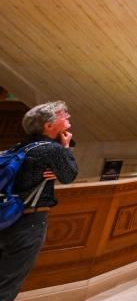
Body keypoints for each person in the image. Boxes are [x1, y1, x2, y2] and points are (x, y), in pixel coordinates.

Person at [0, 102, 78, 301]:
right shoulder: (52, 149)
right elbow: (69, 175)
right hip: (28, 221)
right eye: (62, 114)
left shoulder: (21, 146)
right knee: (8, 283)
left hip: (4, 215)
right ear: (48, 125)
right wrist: (66, 148)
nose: (68, 116)